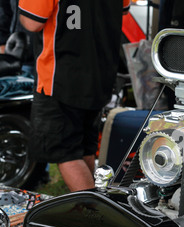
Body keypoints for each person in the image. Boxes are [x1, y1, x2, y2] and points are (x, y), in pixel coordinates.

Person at [18, 0, 131, 192]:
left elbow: (32, 22)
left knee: (66, 153)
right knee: (83, 147)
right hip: (99, 71)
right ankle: (92, 206)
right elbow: (122, 10)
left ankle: (91, 214)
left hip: (61, 75)